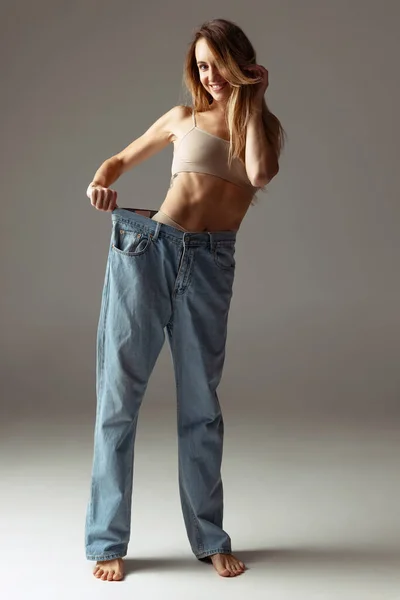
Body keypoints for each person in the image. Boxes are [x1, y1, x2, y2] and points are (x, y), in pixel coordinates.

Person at [84, 17, 285, 581]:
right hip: (149, 250)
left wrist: (256, 99)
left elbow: (260, 174)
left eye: (218, 64)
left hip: (212, 263)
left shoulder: (260, 128)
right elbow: (116, 162)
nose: (209, 76)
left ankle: (209, 536)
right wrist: (101, 183)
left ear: (240, 65)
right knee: (118, 402)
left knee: (202, 408)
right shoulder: (181, 119)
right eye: (201, 66)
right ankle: (106, 541)